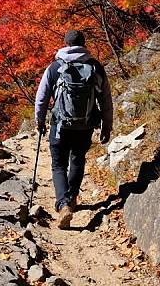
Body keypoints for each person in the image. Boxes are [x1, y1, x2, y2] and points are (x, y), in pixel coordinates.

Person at [34, 29, 113, 229]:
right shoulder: (95, 67)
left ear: (66, 44)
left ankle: (63, 204)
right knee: (77, 159)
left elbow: (42, 97)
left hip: (60, 125)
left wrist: (40, 121)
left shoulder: (54, 67)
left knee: (58, 165)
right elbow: (105, 99)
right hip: (85, 125)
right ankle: (71, 198)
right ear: (84, 44)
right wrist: (107, 126)